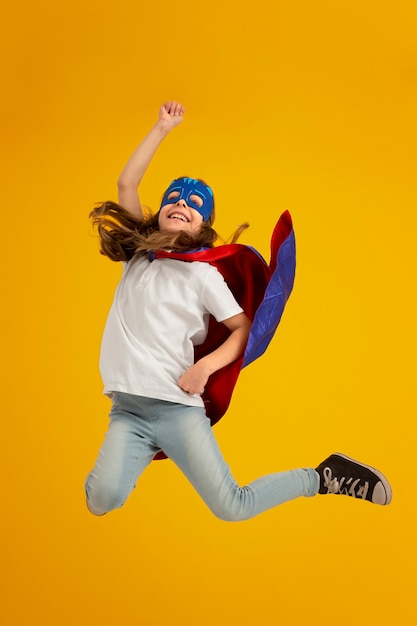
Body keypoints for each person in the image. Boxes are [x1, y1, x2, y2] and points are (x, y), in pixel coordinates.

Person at [85, 101, 392, 519]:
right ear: (157, 215)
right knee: (102, 500)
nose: (182, 203)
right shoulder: (139, 257)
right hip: (129, 409)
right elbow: (126, 185)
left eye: (194, 203)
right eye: (173, 198)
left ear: (204, 226)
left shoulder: (203, 277)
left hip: (177, 408)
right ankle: (120, 470)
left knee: (233, 507)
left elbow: (241, 328)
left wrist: (205, 367)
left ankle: (321, 477)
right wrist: (161, 128)